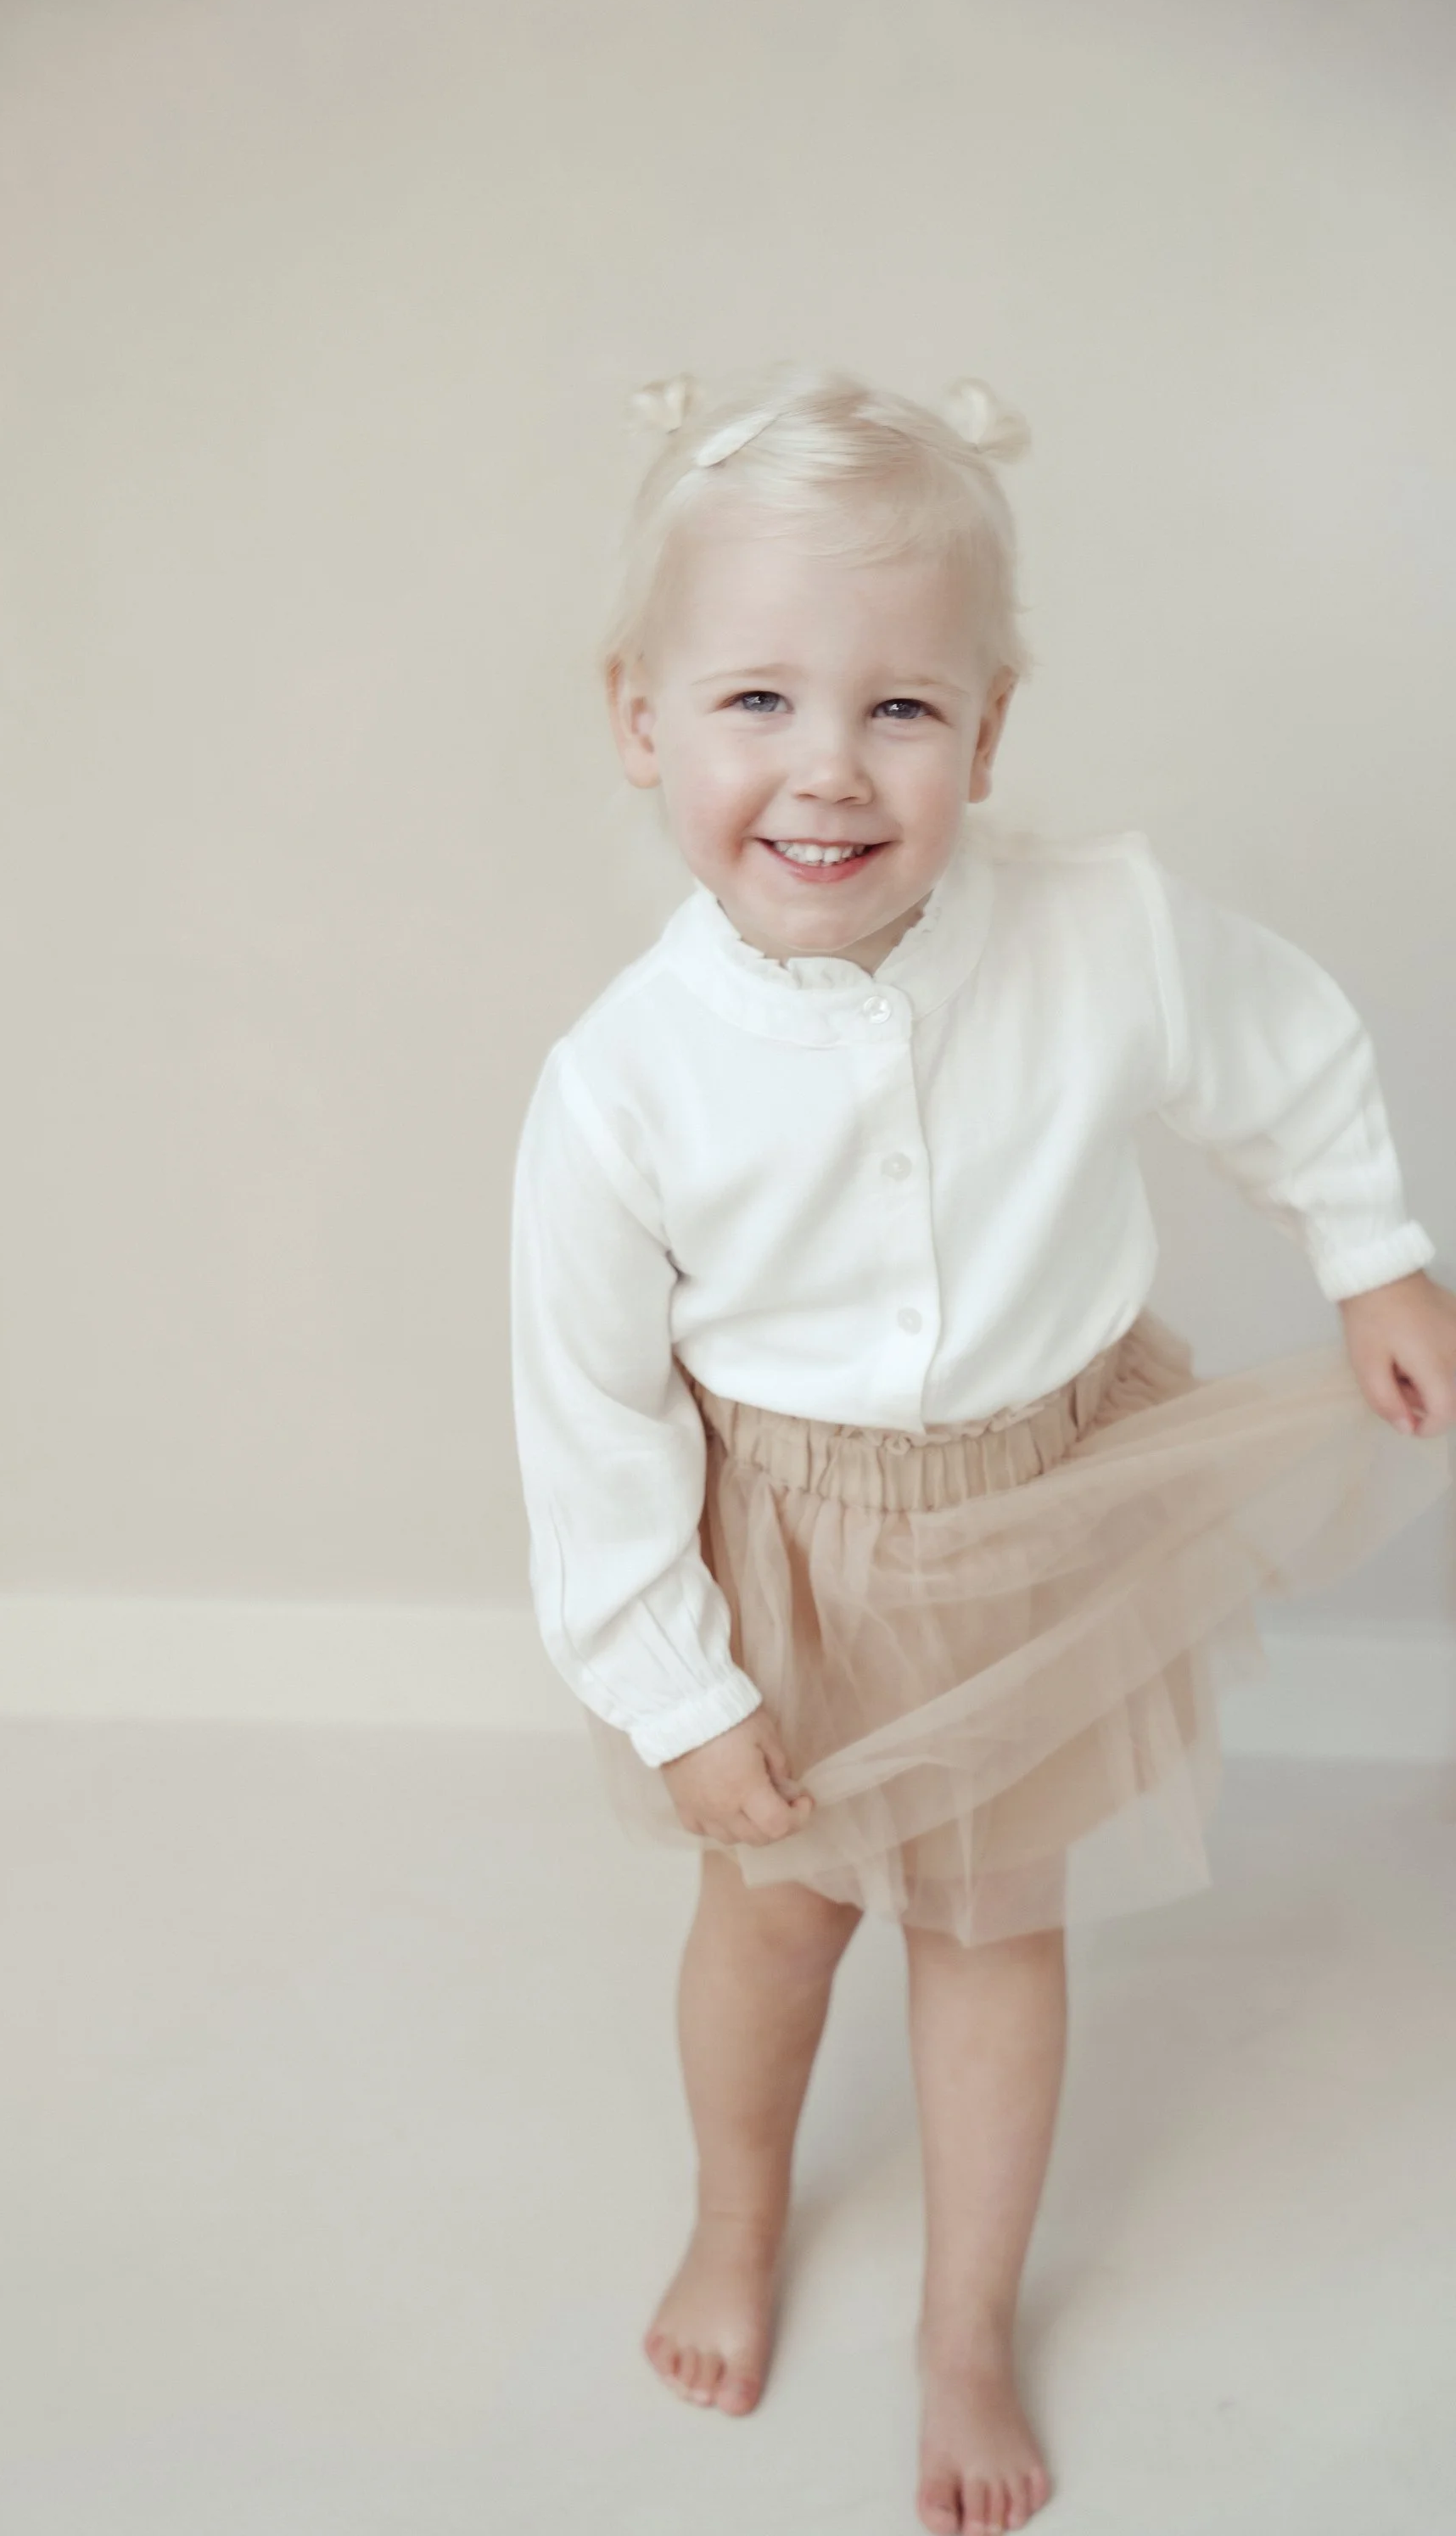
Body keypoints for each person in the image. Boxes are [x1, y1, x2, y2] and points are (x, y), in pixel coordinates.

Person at [505, 364, 1456, 2536]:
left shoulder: (1095, 930)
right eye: (755, 700)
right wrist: (673, 1689)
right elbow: (590, 1416)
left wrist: (1374, 1254)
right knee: (775, 1925)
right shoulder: (623, 1080)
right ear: (640, 718)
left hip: (1045, 1520)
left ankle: (965, 2323)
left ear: (988, 733)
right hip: (789, 1559)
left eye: (900, 709)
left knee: (995, 1933)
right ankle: (738, 2218)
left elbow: (1276, 1043)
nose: (827, 769)